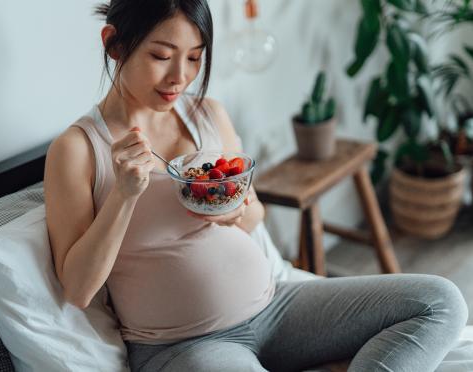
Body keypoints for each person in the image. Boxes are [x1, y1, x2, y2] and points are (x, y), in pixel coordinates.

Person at [43, 1, 469, 371]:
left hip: (276, 308)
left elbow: (254, 212)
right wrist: (123, 195)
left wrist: (234, 212)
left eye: (194, 58)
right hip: (184, 346)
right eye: (161, 55)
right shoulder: (79, 149)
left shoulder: (208, 114)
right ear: (114, 44)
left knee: (440, 301)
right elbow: (78, 290)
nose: (180, 77)